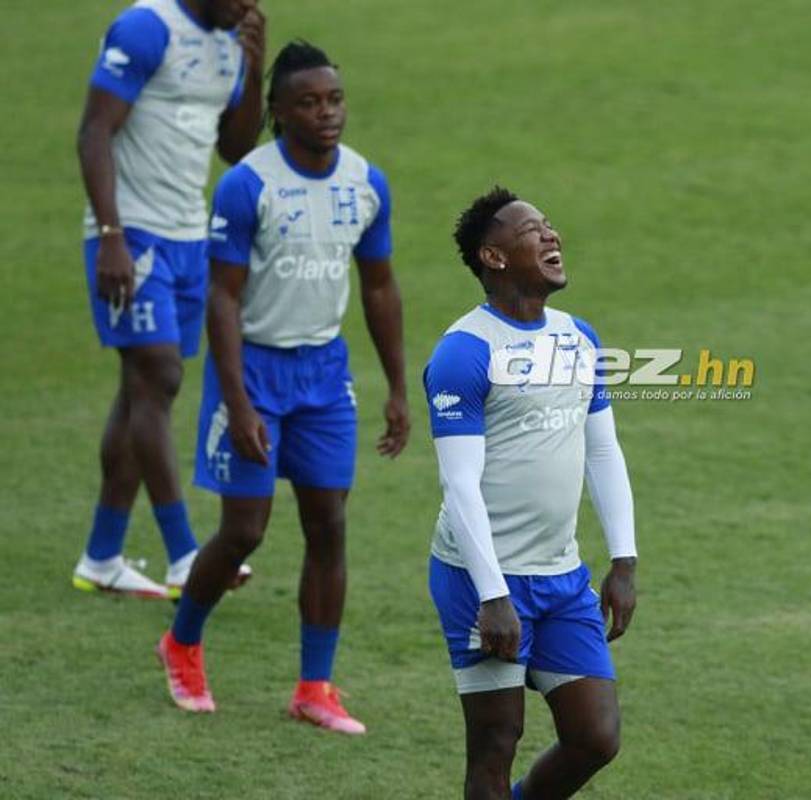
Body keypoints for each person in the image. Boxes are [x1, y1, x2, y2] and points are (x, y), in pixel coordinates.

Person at [155, 41, 410, 734]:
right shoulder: (248, 186)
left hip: (324, 377)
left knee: (328, 526)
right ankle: (181, 642)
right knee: (245, 532)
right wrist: (237, 402)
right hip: (255, 373)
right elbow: (222, 301)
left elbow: (380, 287)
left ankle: (314, 687)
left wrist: (395, 386)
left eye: (334, 99)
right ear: (276, 112)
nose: (327, 113)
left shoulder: (366, 183)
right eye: (308, 102)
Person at [425, 186, 639, 798]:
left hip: (561, 575)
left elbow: (603, 449)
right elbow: (459, 482)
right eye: (532, 231)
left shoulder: (578, 338)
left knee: (595, 736)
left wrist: (623, 559)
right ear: (493, 258)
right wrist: (493, 595)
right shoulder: (464, 353)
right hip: (483, 578)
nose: (552, 236)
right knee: (495, 744)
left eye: (550, 225)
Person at [74, 0, 265, 599]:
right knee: (157, 374)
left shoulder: (233, 41)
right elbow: (94, 130)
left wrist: (254, 67)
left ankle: (102, 557)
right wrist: (110, 236)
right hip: (131, 235)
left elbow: (233, 149)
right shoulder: (147, 27)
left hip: (188, 237)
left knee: (142, 389)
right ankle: (184, 553)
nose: (246, 4)